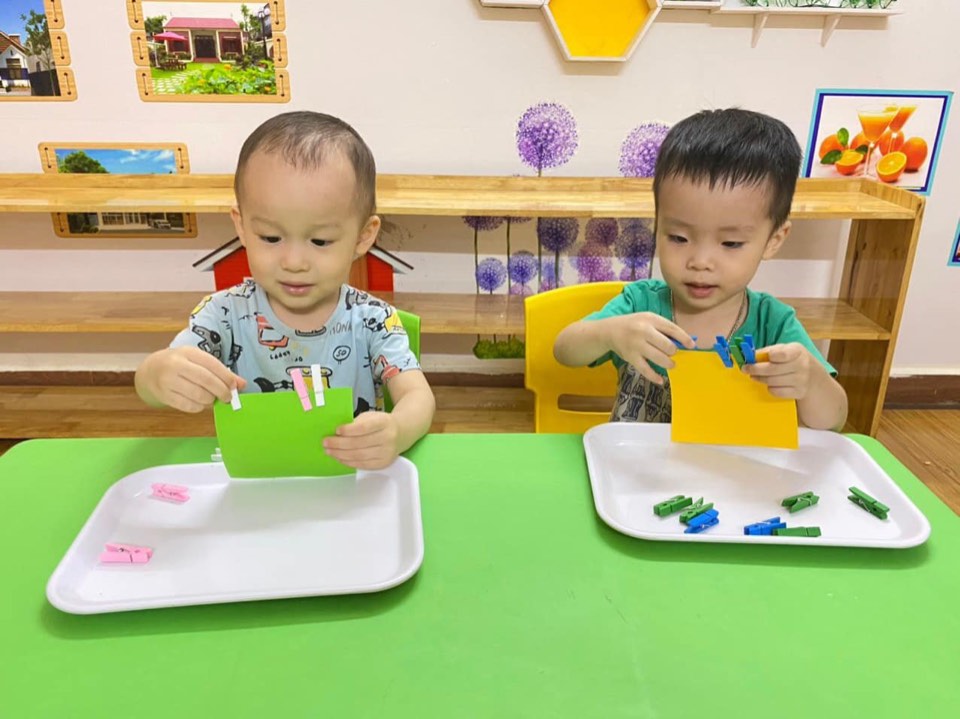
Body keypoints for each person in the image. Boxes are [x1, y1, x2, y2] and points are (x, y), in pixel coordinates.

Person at [135, 111, 435, 469]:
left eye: (320, 241)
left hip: (350, 479)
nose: (294, 262)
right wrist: (157, 374)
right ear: (241, 226)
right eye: (271, 237)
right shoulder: (224, 315)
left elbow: (418, 396)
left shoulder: (374, 320)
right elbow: (149, 385)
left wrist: (398, 430)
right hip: (255, 479)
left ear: (363, 236)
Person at [553, 108, 847, 431]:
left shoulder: (772, 323)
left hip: (733, 461)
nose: (700, 261)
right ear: (658, 225)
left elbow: (833, 421)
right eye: (679, 238)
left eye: (731, 243)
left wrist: (810, 380)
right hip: (640, 460)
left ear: (773, 240)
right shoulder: (640, 304)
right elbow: (564, 349)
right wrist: (608, 333)